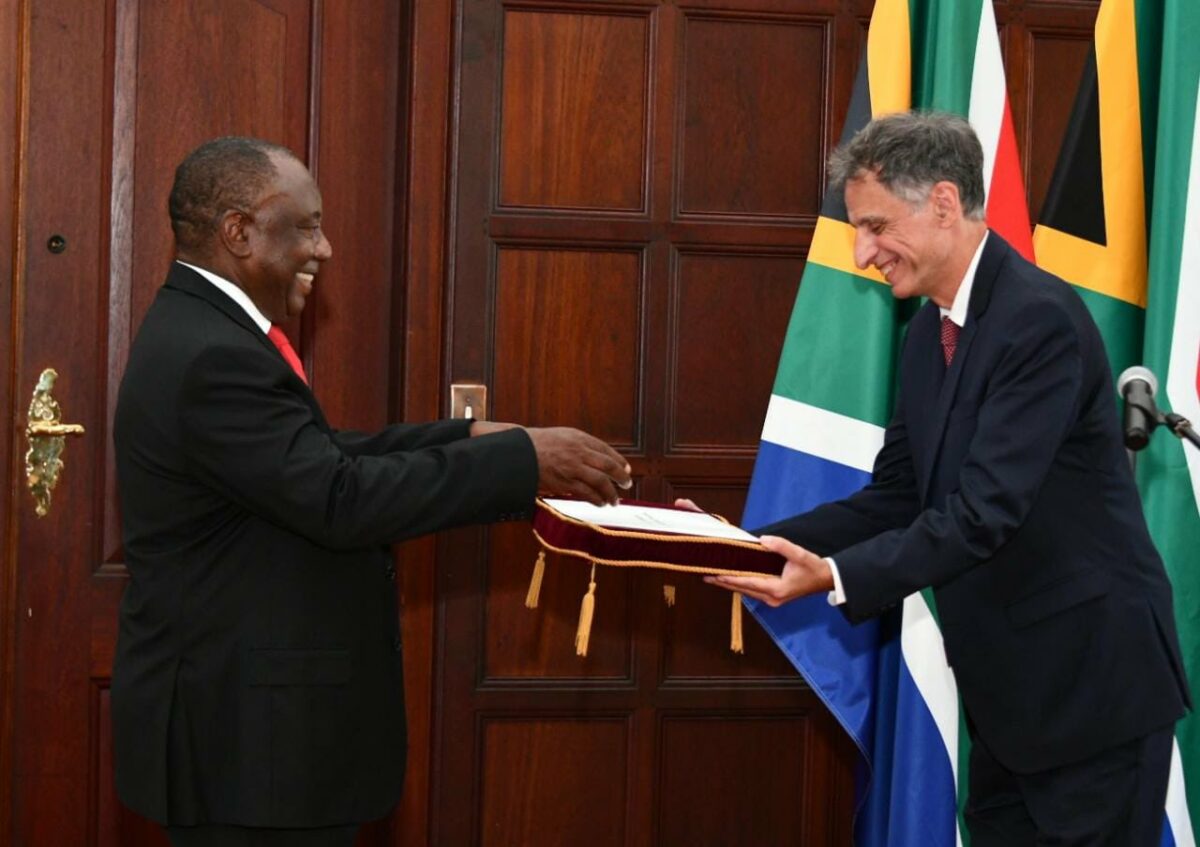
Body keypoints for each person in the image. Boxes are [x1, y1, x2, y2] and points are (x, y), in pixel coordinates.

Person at [111, 136, 632, 847]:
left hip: (246, 742)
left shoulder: (205, 330)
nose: (323, 248)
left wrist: (468, 440)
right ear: (239, 232)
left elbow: (311, 460)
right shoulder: (214, 353)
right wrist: (521, 460)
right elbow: (337, 496)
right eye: (306, 225)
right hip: (246, 751)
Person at [703, 112, 1190, 845]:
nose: (864, 254)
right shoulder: (933, 336)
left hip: (1090, 694)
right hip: (1012, 703)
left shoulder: (1038, 321)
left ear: (941, 202)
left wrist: (829, 574)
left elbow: (982, 514)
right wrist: (739, 544)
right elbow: (897, 495)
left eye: (874, 227)